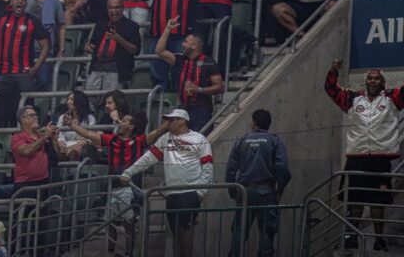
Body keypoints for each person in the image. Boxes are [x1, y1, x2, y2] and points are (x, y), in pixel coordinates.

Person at [324, 60, 403, 252]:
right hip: (356, 157)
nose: (373, 81)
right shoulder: (352, 98)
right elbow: (330, 88)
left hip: (380, 158)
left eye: (377, 79)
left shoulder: (393, 97)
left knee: (378, 202)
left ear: (383, 82)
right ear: (365, 81)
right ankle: (351, 237)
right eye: (370, 78)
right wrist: (334, 70)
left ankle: (379, 239)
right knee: (355, 200)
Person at [120, 109, 213, 257]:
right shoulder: (165, 139)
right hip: (171, 193)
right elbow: (148, 158)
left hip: (190, 191)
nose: (168, 123)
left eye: (171, 120)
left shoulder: (199, 139)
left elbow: (207, 167)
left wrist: (200, 192)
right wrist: (129, 171)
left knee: (186, 230)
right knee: (177, 232)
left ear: (182, 120)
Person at [130, 0, 223, 89]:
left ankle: (178, 104)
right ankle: (160, 103)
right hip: (158, 37)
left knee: (182, 74)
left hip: (182, 37)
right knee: (157, 77)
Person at [66, 110, 150, 253]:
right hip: (112, 188)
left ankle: (129, 252)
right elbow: (88, 135)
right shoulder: (111, 139)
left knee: (129, 224)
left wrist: (166, 125)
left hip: (130, 187)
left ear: (131, 126)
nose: (120, 123)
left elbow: (156, 134)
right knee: (110, 223)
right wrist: (72, 125)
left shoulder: (140, 140)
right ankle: (110, 252)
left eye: (124, 121)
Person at [226, 109, 291, 257]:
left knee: (239, 231)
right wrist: (279, 189)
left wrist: (233, 190)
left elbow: (230, 169)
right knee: (267, 231)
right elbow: (282, 168)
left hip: (244, 192)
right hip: (266, 192)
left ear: (253, 123)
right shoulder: (275, 141)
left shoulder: (241, 140)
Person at [155, 17, 223, 132]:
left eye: (186, 42)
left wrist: (199, 89)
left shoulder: (209, 62)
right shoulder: (180, 60)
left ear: (194, 45)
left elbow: (220, 86)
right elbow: (160, 51)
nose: (182, 44)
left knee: (199, 141)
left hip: (201, 110)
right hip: (182, 108)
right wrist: (167, 29)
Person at [0, 106, 59, 198]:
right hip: (26, 183)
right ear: (22, 119)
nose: (36, 117)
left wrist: (54, 140)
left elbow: (57, 157)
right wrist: (45, 136)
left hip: (44, 181)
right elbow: (26, 151)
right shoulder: (17, 137)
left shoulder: (40, 136)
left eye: (36, 115)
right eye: (31, 115)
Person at [84, 0, 141, 92]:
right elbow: (91, 44)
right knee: (90, 95)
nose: (114, 11)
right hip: (97, 67)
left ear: (123, 8)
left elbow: (135, 50)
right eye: (111, 8)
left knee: (112, 98)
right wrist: (88, 47)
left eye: (117, 7)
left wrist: (119, 39)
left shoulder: (132, 26)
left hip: (117, 69)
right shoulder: (101, 24)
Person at [25, 0, 65, 90]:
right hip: (26, 49)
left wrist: (61, 50)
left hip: (45, 51)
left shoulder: (54, 3)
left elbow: (62, 27)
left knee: (43, 81)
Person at [56, 91, 96, 161]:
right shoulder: (62, 117)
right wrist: (62, 145)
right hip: (66, 146)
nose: (68, 102)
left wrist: (73, 147)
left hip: (82, 146)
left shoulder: (90, 118)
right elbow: (60, 136)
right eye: (68, 99)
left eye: (71, 99)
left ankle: (73, 171)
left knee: (74, 152)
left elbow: (89, 138)